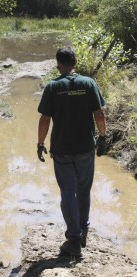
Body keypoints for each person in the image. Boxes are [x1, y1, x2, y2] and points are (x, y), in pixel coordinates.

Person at [37, 47, 106, 257]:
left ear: (58, 64)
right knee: (84, 191)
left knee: (68, 192)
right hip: (85, 148)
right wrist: (102, 138)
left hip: (62, 150)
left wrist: (40, 144)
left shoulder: (53, 87)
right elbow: (99, 114)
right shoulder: (88, 83)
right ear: (75, 62)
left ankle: (74, 238)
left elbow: (45, 119)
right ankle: (83, 229)